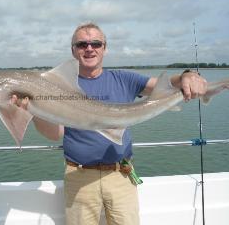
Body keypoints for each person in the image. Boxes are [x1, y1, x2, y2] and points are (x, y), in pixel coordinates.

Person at [11, 23, 207, 225]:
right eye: (82, 44)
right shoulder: (56, 87)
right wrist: (34, 110)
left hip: (120, 174)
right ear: (73, 50)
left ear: (104, 48)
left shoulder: (124, 79)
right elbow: (54, 134)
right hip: (79, 176)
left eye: (96, 43)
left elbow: (162, 86)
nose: (89, 48)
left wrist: (186, 76)